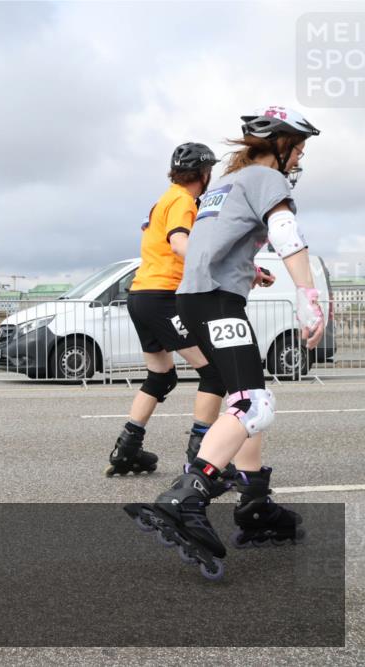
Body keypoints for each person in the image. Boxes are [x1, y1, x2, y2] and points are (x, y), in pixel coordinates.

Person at [150, 106, 323, 567]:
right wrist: (307, 296)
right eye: (298, 149)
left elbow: (207, 247)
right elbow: (285, 232)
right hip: (217, 302)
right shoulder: (266, 178)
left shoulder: (224, 186)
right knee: (253, 404)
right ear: (280, 146)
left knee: (242, 395)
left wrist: (249, 272)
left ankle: (255, 501)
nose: (299, 159)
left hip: (197, 299)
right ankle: (187, 497)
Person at [106, 143, 238, 478]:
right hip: (162, 296)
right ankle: (202, 456)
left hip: (140, 295)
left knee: (161, 376)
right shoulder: (182, 200)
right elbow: (179, 243)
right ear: (204, 174)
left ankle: (126, 451)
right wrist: (220, 266)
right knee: (214, 372)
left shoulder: (163, 200)